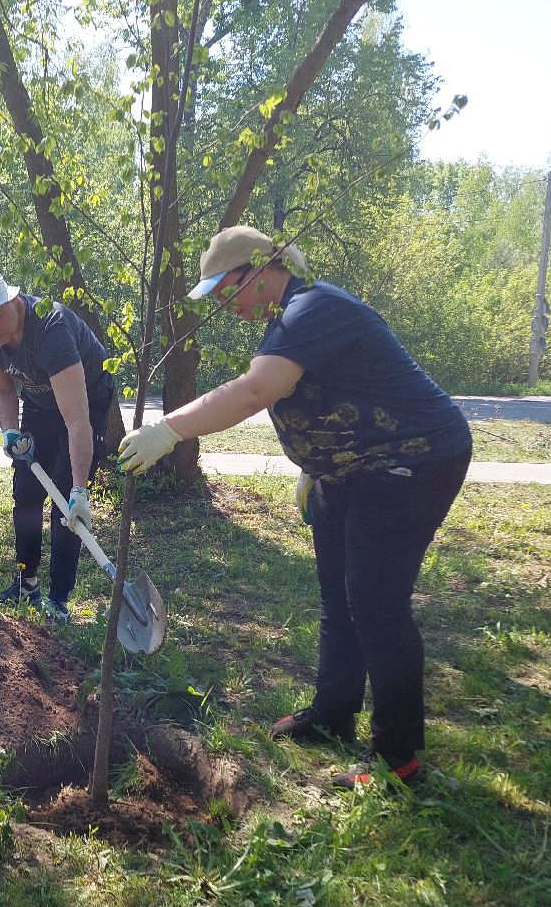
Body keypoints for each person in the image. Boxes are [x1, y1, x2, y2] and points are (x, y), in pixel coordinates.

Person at [120, 227, 471, 789]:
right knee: (339, 593)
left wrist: (169, 430)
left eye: (223, 288)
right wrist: (316, 462)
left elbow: (257, 391)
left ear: (258, 271)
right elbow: (329, 391)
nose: (219, 300)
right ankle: (333, 712)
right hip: (350, 470)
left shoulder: (314, 307)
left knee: (377, 604)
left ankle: (397, 757)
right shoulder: (289, 316)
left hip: (411, 462)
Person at [0, 269, 115, 625]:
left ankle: (58, 600)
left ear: (14, 301)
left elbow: (77, 420)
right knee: (27, 492)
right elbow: (1, 390)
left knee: (65, 504)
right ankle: (26, 583)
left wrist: (79, 489)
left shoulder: (51, 329)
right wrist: (10, 431)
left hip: (85, 399)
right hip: (40, 402)